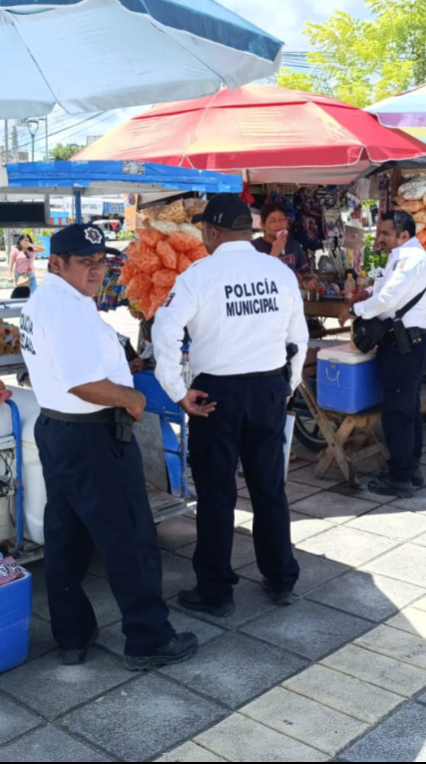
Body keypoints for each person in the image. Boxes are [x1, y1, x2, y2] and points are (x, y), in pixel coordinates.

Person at [21, 224, 197, 669]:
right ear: (56, 263)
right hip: (91, 434)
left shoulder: (53, 300)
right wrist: (130, 397)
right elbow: (82, 382)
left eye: (102, 262)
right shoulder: (64, 308)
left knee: (67, 535)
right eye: (86, 262)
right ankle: (148, 638)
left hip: (61, 430)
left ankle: (72, 636)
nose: (97, 271)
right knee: (130, 538)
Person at [153, 194, 308, 616]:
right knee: (269, 489)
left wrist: (176, 391)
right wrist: (287, 385)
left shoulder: (199, 275)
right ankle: (281, 579)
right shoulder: (277, 271)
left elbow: (164, 330)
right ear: (250, 230)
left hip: (215, 397)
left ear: (213, 232)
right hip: (268, 389)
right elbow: (299, 335)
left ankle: (216, 589)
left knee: (217, 494)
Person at [345, 210, 426, 498]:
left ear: (403, 235)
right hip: (406, 342)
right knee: (408, 409)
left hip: (406, 344)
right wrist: (367, 292)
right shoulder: (403, 256)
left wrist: (353, 310)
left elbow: (388, 300)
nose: (379, 238)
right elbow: (384, 291)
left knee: (398, 413)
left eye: (385, 233)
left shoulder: (411, 259)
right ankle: (411, 468)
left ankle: (400, 478)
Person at [253, 202, 312, 277]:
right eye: (272, 221)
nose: (278, 225)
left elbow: (304, 274)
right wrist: (274, 253)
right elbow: (255, 278)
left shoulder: (294, 245)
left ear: (287, 222)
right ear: (263, 225)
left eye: (281, 219)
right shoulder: (253, 248)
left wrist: (307, 281)